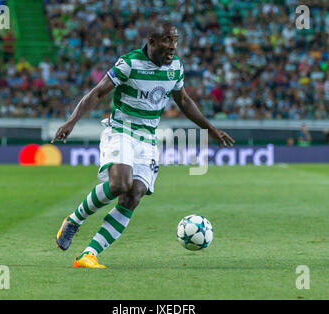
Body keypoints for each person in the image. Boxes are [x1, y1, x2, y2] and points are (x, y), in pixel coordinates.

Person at [51, 20, 235, 269]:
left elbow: (183, 100)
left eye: (175, 41)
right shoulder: (129, 63)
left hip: (148, 138)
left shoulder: (176, 68)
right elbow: (97, 92)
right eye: (167, 41)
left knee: (133, 195)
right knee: (119, 184)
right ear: (151, 42)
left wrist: (210, 130)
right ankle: (74, 220)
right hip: (121, 131)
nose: (173, 47)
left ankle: (88, 255)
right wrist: (71, 122)